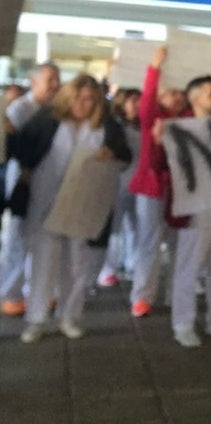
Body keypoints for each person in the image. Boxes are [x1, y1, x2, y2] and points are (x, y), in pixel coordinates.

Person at [17, 74, 131, 343]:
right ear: (68, 98)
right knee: (43, 263)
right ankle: (36, 319)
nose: (83, 104)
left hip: (84, 204)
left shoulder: (107, 127)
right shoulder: (49, 119)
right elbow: (23, 148)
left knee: (77, 264)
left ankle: (69, 317)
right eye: (78, 98)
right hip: (46, 202)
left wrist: (111, 155)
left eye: (90, 99)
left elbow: (126, 156)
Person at [127, 46, 211, 317]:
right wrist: (155, 68)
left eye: (178, 93)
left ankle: (176, 293)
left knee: (178, 243)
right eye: (169, 92)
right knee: (150, 243)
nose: (175, 97)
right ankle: (142, 296)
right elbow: (147, 100)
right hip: (152, 188)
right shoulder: (153, 117)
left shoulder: (186, 119)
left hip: (178, 190)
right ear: (160, 95)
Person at [153, 75, 211, 348]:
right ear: (194, 98)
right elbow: (158, 165)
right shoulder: (179, 127)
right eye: (210, 93)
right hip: (194, 208)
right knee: (189, 268)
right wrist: (158, 143)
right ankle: (183, 323)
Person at [0, 62, 61, 317]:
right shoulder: (20, 108)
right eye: (50, 80)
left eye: (57, 79)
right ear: (34, 81)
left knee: (40, 238)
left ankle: (34, 291)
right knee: (18, 237)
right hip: (22, 178)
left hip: (46, 181)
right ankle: (9, 294)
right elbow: (10, 143)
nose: (55, 85)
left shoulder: (55, 110)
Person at [97, 88, 141, 287]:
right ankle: (107, 268)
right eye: (133, 101)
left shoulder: (142, 126)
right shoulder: (114, 126)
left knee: (136, 226)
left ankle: (133, 262)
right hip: (117, 181)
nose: (137, 105)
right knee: (113, 227)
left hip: (138, 183)